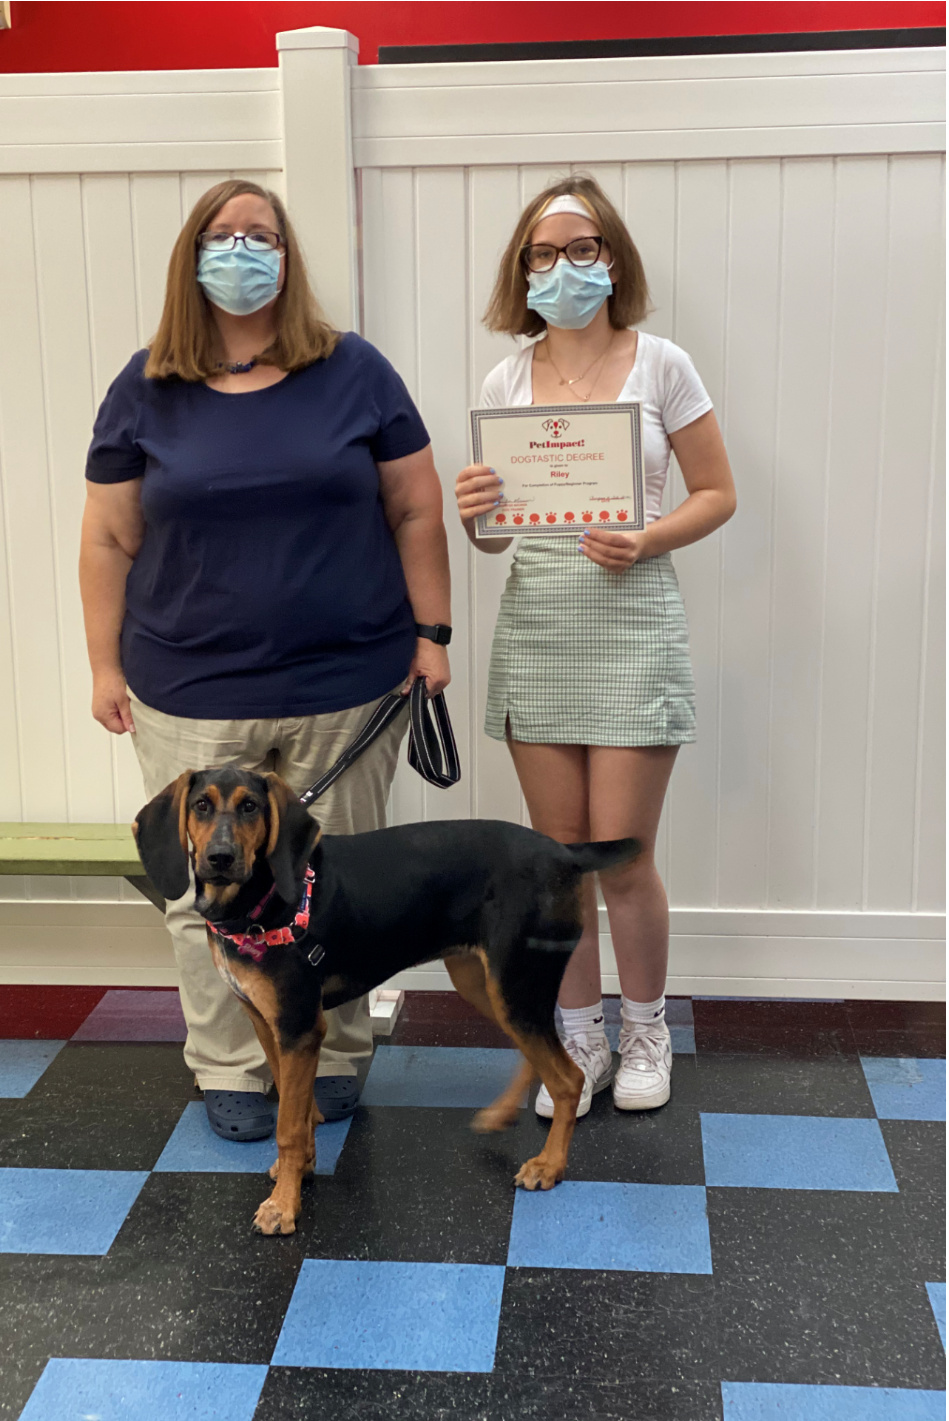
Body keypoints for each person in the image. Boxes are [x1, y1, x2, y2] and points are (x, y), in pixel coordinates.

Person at [80, 179, 451, 1142]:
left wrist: (433, 635)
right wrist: (101, 667)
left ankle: (331, 1055)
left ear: (289, 258)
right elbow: (108, 539)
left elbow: (414, 506)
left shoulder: (354, 371)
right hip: (189, 690)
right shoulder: (144, 386)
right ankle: (235, 1067)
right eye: (222, 235)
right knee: (201, 887)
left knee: (332, 885)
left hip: (349, 684)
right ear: (189, 255)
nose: (242, 250)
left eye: (262, 235)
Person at [455, 177, 735, 1115]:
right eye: (544, 254)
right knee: (554, 860)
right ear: (521, 269)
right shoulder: (506, 379)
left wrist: (647, 537)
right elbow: (498, 537)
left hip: (632, 622)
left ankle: (645, 1027)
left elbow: (715, 493)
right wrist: (476, 520)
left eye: (582, 249)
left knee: (622, 857)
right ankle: (575, 1038)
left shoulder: (662, 365)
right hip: (538, 628)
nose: (564, 267)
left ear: (612, 258)